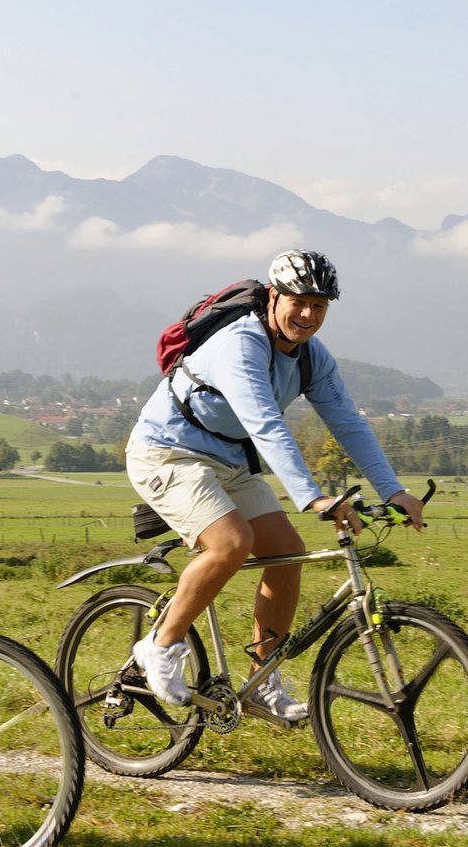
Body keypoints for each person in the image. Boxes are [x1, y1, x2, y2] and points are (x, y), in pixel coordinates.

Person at [125, 249, 424, 724]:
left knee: (287, 554)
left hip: (228, 461)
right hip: (168, 452)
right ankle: (160, 645)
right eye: (298, 301)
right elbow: (266, 425)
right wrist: (314, 497)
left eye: (319, 306)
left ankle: (261, 683)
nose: (307, 315)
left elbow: (348, 423)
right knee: (232, 543)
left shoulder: (311, 358)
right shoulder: (239, 344)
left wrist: (393, 491)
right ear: (274, 296)